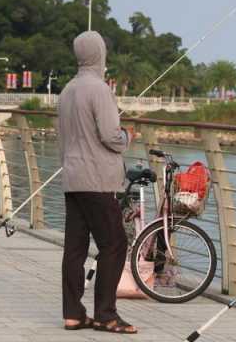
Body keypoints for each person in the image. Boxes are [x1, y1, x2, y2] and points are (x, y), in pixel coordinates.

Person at [58, 31, 136, 334]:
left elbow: (64, 138)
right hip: (98, 179)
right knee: (114, 244)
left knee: (75, 249)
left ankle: (73, 314)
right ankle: (106, 314)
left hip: (73, 177)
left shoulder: (67, 90)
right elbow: (110, 136)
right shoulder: (100, 89)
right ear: (100, 54)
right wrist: (129, 136)